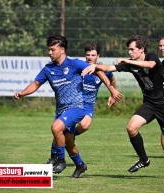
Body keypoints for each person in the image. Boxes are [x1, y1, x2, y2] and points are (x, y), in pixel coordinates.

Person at [14, 35, 122, 178]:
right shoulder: (48, 69)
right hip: (61, 110)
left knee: (56, 128)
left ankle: (60, 160)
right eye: (49, 50)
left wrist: (111, 89)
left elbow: (97, 70)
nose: (50, 53)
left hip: (78, 107)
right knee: (69, 141)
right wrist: (22, 93)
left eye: (52, 49)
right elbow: (36, 84)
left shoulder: (74, 63)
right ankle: (80, 165)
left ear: (62, 49)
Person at [82, 35, 164, 178]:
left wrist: (127, 61)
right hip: (149, 105)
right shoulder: (130, 64)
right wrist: (95, 66)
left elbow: (151, 65)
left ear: (141, 49)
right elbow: (109, 68)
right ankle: (144, 159)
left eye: (132, 49)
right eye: (129, 50)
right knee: (131, 128)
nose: (129, 52)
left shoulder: (151, 56)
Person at [47, 42, 123, 178]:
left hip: (88, 106)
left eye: (93, 55)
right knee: (60, 130)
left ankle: (69, 140)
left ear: (98, 56)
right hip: (76, 104)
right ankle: (62, 155)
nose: (90, 57)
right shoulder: (80, 68)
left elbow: (111, 79)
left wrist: (112, 93)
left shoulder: (102, 71)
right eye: (87, 55)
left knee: (84, 125)